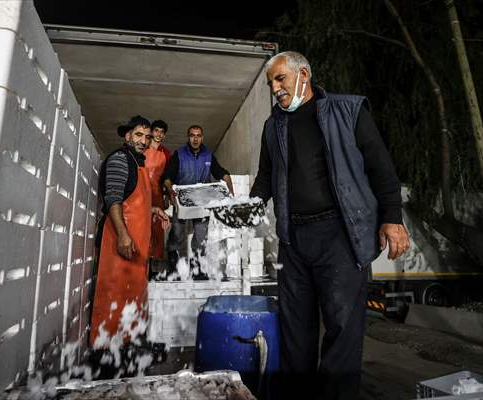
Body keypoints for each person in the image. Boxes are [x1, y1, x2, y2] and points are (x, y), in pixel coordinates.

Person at [249, 51, 410, 400]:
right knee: (295, 331)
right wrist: (248, 205)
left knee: (342, 329)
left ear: (303, 73)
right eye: (270, 84)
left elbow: (382, 169)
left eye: (280, 79)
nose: (275, 89)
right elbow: (265, 178)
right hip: (293, 239)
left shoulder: (347, 111)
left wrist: (393, 218)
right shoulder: (272, 127)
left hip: (339, 234)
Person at [90, 115, 170, 351]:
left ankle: (129, 345)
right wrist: (123, 235)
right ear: (127, 136)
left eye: (147, 137)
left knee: (133, 296)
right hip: (121, 244)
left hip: (137, 248)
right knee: (114, 295)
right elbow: (114, 199)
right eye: (138, 135)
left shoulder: (138, 164)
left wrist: (153, 209)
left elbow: (133, 201)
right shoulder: (119, 160)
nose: (144, 141)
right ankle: (105, 351)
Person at [162, 125, 234, 278]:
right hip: (181, 202)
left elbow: (220, 172)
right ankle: (174, 270)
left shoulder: (208, 155)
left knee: (201, 237)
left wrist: (229, 186)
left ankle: (198, 271)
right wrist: (169, 190)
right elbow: (167, 176)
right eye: (192, 135)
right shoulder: (179, 154)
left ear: (202, 137)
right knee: (177, 234)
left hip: (202, 201)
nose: (195, 139)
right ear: (188, 137)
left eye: (198, 135)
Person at [144, 120, 172, 261]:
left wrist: (167, 194)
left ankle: (153, 266)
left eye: (162, 132)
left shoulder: (166, 153)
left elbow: (168, 176)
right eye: (156, 130)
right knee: (142, 224)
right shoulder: (142, 147)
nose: (158, 134)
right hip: (141, 191)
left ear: (164, 135)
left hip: (157, 193)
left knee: (156, 228)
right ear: (151, 132)